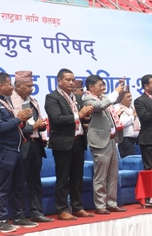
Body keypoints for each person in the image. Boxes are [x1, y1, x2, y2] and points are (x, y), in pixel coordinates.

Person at [0, 72, 37, 234]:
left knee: (18, 185)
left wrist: (21, 120)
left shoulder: (4, 102)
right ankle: (1, 220)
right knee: (3, 186)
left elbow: (11, 124)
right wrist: (18, 119)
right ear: (0, 86)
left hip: (16, 149)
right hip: (3, 150)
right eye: (9, 84)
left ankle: (18, 216)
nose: (12, 87)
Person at [46, 68, 95, 221]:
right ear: (59, 81)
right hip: (62, 143)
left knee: (77, 177)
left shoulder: (77, 98)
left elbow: (81, 119)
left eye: (73, 80)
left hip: (78, 141)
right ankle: (61, 210)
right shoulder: (52, 97)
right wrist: (78, 115)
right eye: (68, 80)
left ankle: (78, 207)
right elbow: (57, 119)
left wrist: (86, 116)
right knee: (63, 178)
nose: (71, 82)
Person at [83, 75, 129, 215]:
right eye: (100, 85)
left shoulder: (103, 98)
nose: (103, 88)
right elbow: (100, 107)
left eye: (104, 85)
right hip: (99, 141)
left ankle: (111, 203)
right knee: (101, 176)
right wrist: (115, 92)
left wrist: (118, 91)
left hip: (111, 140)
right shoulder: (87, 99)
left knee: (113, 174)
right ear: (91, 87)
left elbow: (106, 104)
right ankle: (100, 205)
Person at [10, 71, 51, 223]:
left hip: (36, 144)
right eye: (28, 86)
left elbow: (38, 121)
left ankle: (37, 212)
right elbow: (15, 125)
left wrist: (41, 126)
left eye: (32, 85)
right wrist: (33, 128)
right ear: (18, 86)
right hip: (22, 144)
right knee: (20, 182)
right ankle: (19, 215)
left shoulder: (33, 100)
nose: (31, 88)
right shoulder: (10, 101)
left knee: (35, 180)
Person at [113, 90, 140, 158]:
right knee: (130, 161)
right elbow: (121, 124)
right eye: (128, 97)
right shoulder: (117, 109)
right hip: (125, 140)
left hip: (137, 140)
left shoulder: (133, 108)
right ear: (121, 99)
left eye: (131, 96)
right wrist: (132, 116)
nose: (130, 98)